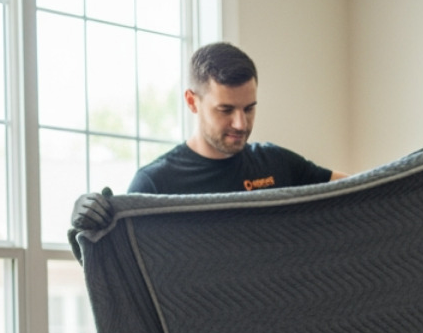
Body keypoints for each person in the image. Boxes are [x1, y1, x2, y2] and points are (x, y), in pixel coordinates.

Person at [69, 42, 346, 230]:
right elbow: (127, 277)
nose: (241, 123)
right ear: (192, 101)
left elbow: (363, 192)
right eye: (225, 109)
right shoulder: (155, 183)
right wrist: (95, 230)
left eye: (249, 109)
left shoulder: (277, 164)